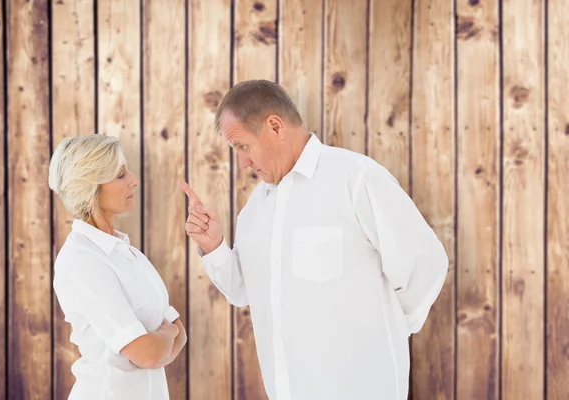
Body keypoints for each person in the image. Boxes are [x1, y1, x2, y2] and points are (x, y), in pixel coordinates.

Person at [181, 80, 448, 400]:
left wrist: (387, 332)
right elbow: (243, 290)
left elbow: (424, 263)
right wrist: (214, 246)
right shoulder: (256, 207)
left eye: (243, 147)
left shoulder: (355, 178)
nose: (243, 163)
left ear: (275, 126)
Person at [49, 134, 186, 400]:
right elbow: (149, 352)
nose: (134, 180)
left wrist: (163, 338)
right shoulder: (81, 262)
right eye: (120, 174)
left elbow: (180, 335)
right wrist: (165, 333)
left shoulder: (128, 254)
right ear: (91, 186)